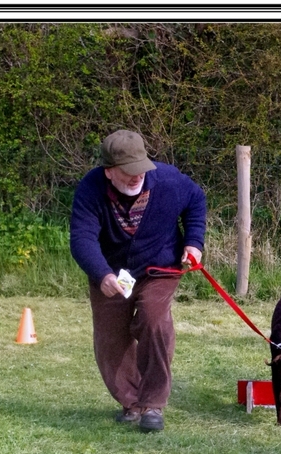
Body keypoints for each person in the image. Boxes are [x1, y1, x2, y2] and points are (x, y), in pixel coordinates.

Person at [70, 129, 207, 432]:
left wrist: (194, 242)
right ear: (109, 172)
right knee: (111, 339)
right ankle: (132, 403)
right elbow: (81, 238)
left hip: (159, 268)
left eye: (141, 169)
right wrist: (101, 273)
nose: (137, 177)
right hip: (110, 271)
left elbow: (196, 200)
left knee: (153, 321)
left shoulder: (168, 181)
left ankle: (154, 404)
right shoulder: (90, 189)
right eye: (128, 172)